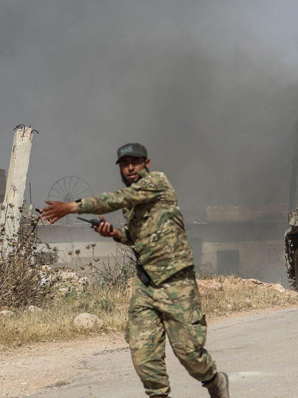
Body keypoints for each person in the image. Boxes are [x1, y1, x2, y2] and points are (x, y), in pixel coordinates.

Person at [40, 143, 229, 398]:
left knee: (189, 353)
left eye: (135, 162)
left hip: (176, 281)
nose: (130, 167)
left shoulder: (158, 183)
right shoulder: (131, 205)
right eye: (125, 163)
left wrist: (71, 207)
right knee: (143, 355)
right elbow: (133, 236)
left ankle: (215, 381)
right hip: (146, 284)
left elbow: (118, 198)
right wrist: (113, 233)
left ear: (147, 164)